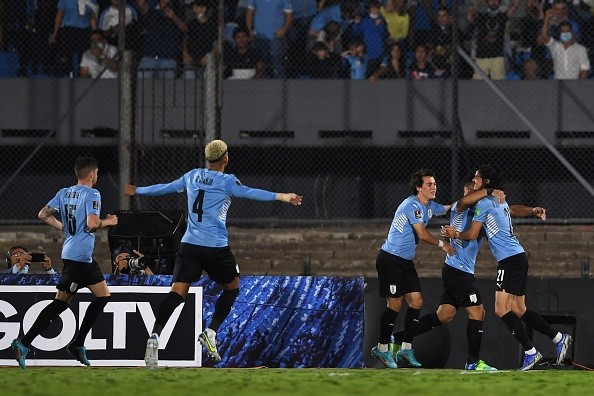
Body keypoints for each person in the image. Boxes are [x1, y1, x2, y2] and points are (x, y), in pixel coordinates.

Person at [124, 139, 303, 369]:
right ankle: (210, 332)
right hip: (216, 247)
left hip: (189, 245)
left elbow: (164, 188)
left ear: (208, 159)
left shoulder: (192, 176)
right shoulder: (227, 181)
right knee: (233, 287)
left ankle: (154, 336)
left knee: (177, 293)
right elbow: (250, 193)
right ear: (225, 158)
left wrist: (137, 190)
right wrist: (282, 196)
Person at [441, 164, 572, 371]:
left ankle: (531, 353)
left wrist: (455, 234)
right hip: (518, 257)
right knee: (519, 309)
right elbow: (511, 209)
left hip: (509, 261)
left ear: (486, 182)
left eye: (477, 178)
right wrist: (532, 210)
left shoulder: (484, 204)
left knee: (501, 310)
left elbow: (473, 234)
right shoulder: (496, 200)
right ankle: (558, 338)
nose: (474, 181)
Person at [11, 157, 118, 369]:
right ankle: (23, 342)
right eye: (96, 172)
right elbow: (92, 223)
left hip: (83, 259)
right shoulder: (92, 193)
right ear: (91, 174)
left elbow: (43, 214)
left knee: (103, 296)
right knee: (60, 303)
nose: (96, 176)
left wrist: (65, 227)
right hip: (77, 258)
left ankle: (78, 344)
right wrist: (110, 221)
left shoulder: (64, 193)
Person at [391, 179, 506, 370]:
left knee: (443, 316)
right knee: (478, 312)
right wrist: (489, 191)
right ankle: (473, 362)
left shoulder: (480, 212)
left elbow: (504, 212)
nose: (468, 195)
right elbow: (464, 208)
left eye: (472, 191)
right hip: (458, 271)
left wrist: (528, 211)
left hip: (456, 269)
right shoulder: (460, 208)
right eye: (467, 192)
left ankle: (400, 337)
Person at [371, 169, 455, 369]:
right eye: (428, 184)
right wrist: (444, 246)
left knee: (417, 302)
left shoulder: (429, 206)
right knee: (395, 305)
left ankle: (406, 348)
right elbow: (423, 234)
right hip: (390, 259)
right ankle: (382, 348)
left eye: (434, 183)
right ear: (418, 187)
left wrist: (467, 201)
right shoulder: (412, 205)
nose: (433, 187)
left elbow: (446, 209)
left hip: (405, 262)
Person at [467, 0, 521, 80]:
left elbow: (516, 6)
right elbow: (470, 16)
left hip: (497, 56)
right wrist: (478, 3)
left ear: (499, 2)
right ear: (487, 2)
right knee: (478, 83)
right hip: (481, 56)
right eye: (491, 1)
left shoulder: (502, 16)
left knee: (499, 82)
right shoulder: (481, 16)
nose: (493, 3)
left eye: (496, 1)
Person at [137, 0, 188, 79]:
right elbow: (141, 4)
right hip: (149, 57)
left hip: (168, 58)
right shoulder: (152, 13)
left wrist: (174, 17)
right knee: (142, 81)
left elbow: (186, 30)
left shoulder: (179, 13)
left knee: (166, 87)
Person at [49, 0, 99, 77]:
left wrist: (95, 32)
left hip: (84, 30)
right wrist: (55, 33)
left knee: (82, 59)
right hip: (68, 30)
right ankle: (58, 79)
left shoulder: (90, 1)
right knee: (64, 57)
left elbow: (93, 17)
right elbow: (59, 16)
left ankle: (81, 81)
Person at [246, 0, 294, 78]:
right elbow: (249, 12)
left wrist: (284, 29)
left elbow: (289, 15)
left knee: (276, 64)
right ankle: (262, 87)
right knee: (260, 63)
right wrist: (249, 30)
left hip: (276, 37)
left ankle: (278, 87)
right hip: (258, 36)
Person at [538, 9, 590, 79]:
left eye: (568, 31)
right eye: (563, 31)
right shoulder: (555, 46)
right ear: (560, 34)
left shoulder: (581, 49)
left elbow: (585, 70)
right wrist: (547, 18)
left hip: (575, 83)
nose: (565, 33)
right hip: (557, 83)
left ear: (572, 32)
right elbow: (544, 36)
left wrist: (578, 86)